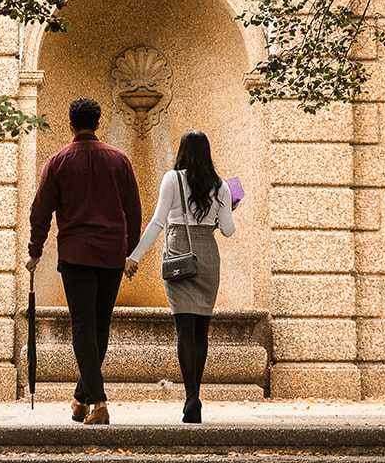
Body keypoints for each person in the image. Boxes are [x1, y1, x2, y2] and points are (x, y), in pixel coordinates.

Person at [26, 97, 141, 426]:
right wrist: (129, 252)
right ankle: (81, 399)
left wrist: (36, 250)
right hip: (110, 255)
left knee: (83, 326)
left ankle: (98, 401)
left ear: (71, 124)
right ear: (99, 123)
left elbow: (40, 210)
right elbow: (133, 211)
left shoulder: (58, 160)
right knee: (99, 326)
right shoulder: (120, 160)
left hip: (76, 254)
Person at [124, 129, 236, 424]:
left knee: (184, 330)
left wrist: (134, 257)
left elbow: (158, 221)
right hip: (208, 257)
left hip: (178, 254)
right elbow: (228, 230)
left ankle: (190, 397)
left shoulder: (172, 179)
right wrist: (227, 209)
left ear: (183, 152)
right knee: (201, 331)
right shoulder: (221, 186)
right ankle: (196, 393)